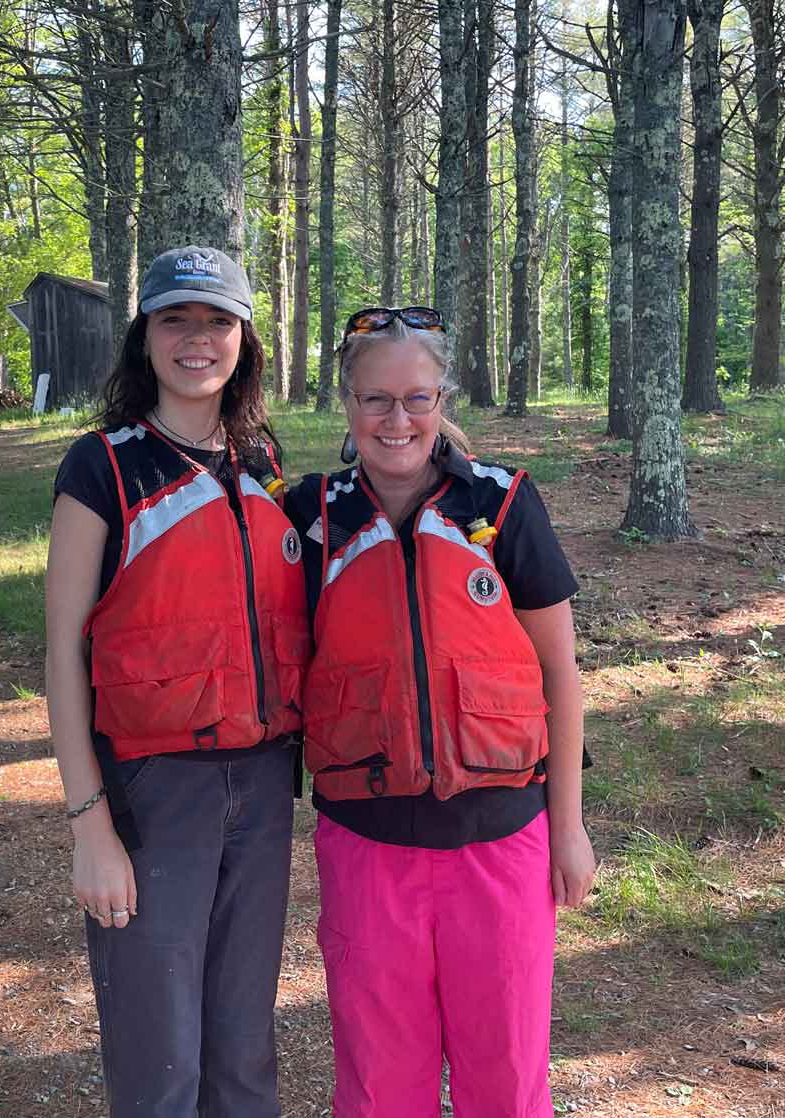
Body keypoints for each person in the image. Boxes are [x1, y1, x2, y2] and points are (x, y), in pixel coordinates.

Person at [285, 307, 596, 1118]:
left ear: (442, 399)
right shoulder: (313, 517)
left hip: (501, 845)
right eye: (376, 400)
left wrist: (568, 829)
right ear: (347, 404)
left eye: (416, 399)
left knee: (508, 1076)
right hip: (367, 848)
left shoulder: (502, 504)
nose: (397, 420)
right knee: (380, 1082)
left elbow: (559, 674)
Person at [44, 246, 310, 1117]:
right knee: (160, 1057)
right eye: (176, 320)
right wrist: (90, 826)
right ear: (145, 337)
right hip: (153, 791)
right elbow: (62, 652)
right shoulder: (103, 466)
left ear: (245, 339)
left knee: (243, 1044)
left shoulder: (261, 461)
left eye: (218, 321)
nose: (198, 339)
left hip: (263, 783)